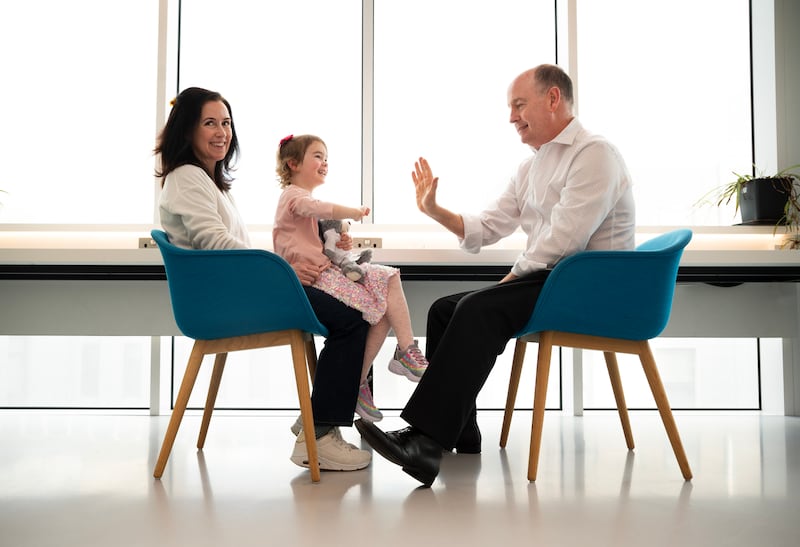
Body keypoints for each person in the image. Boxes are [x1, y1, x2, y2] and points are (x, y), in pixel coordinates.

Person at [354, 64, 636, 486]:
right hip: (554, 281)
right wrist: (435, 211)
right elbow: (487, 226)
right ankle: (461, 431)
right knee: (446, 310)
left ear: (553, 98)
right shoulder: (531, 168)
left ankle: (426, 442)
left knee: (478, 310)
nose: (511, 117)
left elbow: (566, 238)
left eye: (520, 105)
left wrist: (511, 279)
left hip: (590, 288)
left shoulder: (594, 154)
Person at [155, 87, 372, 472]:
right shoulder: (187, 177)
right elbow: (216, 243)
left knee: (348, 310)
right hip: (227, 303)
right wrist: (285, 270)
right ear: (186, 130)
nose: (222, 131)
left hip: (234, 292)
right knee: (353, 317)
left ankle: (316, 423)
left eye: (226, 122)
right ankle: (319, 435)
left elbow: (228, 245)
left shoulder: (207, 180)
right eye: (210, 123)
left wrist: (290, 266)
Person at [273, 134, 428, 425]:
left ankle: (390, 361)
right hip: (313, 279)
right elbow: (316, 209)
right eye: (317, 156)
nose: (324, 162)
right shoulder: (293, 196)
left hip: (324, 271)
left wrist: (338, 241)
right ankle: (393, 360)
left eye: (326, 157)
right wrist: (353, 213)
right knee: (383, 290)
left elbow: (320, 236)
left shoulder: (304, 203)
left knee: (384, 290)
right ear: (293, 163)